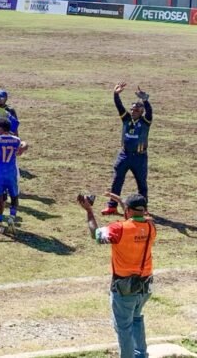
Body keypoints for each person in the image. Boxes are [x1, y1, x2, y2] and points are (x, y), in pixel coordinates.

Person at [77, 193, 155, 358]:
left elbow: (96, 234)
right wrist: (123, 204)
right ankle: (141, 355)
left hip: (125, 287)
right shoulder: (151, 227)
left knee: (123, 328)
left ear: (128, 210)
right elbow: (141, 217)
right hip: (146, 285)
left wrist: (89, 210)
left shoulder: (119, 229)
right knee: (136, 318)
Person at [103, 83, 152, 216]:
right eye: (132, 109)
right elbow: (119, 107)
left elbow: (150, 112)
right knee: (117, 180)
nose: (133, 111)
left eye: (136, 110)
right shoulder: (126, 119)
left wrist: (146, 101)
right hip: (124, 155)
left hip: (139, 157)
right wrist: (116, 94)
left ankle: (143, 209)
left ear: (141, 112)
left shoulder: (146, 122)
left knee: (141, 183)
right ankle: (112, 206)